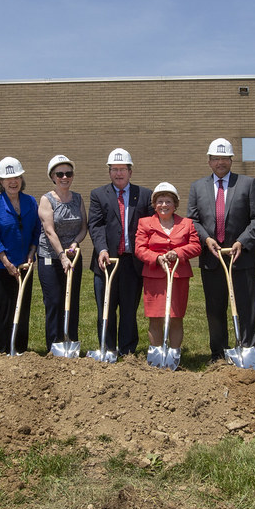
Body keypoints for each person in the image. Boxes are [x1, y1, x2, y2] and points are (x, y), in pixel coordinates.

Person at [186, 138, 255, 362]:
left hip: (242, 258)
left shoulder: (247, 184)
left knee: (247, 307)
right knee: (215, 308)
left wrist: (243, 240)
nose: (220, 162)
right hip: (212, 258)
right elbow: (193, 220)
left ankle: (248, 352)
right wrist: (206, 239)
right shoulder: (197, 187)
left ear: (231, 160)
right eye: (215, 158)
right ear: (209, 161)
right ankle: (218, 353)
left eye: (224, 158)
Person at [88, 148, 154, 356]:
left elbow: (151, 227)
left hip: (132, 262)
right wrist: (102, 249)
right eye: (114, 169)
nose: (118, 173)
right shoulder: (98, 195)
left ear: (130, 171)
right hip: (106, 261)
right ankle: (107, 348)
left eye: (122, 169)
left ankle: (127, 350)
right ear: (109, 172)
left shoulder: (144, 195)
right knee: (105, 309)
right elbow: (96, 225)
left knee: (128, 309)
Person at [134, 182, 202, 354]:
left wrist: (178, 253)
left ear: (175, 204)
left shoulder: (186, 223)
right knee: (155, 317)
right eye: (160, 201)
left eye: (168, 201)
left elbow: (196, 246)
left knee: (176, 316)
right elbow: (139, 248)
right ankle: (157, 353)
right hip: (154, 276)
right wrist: (156, 258)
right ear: (154, 204)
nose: (163, 205)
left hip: (178, 275)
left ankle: (174, 354)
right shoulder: (145, 223)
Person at [0, 157, 40, 353]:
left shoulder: (30, 202)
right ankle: (4, 350)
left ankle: (21, 349)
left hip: (25, 264)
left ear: (21, 179)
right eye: (8, 179)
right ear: (1, 182)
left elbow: (36, 231)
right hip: (0, 267)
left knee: (22, 308)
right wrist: (7, 263)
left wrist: (32, 253)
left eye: (16, 177)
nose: (13, 181)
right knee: (5, 310)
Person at [38, 154, 88, 349]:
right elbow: (49, 230)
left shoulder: (77, 198)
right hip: (50, 257)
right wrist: (61, 256)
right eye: (60, 174)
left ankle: (70, 341)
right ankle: (53, 344)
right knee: (54, 301)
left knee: (71, 300)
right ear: (52, 176)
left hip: (73, 257)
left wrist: (75, 243)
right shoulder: (46, 199)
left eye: (68, 173)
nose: (64, 177)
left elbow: (84, 227)